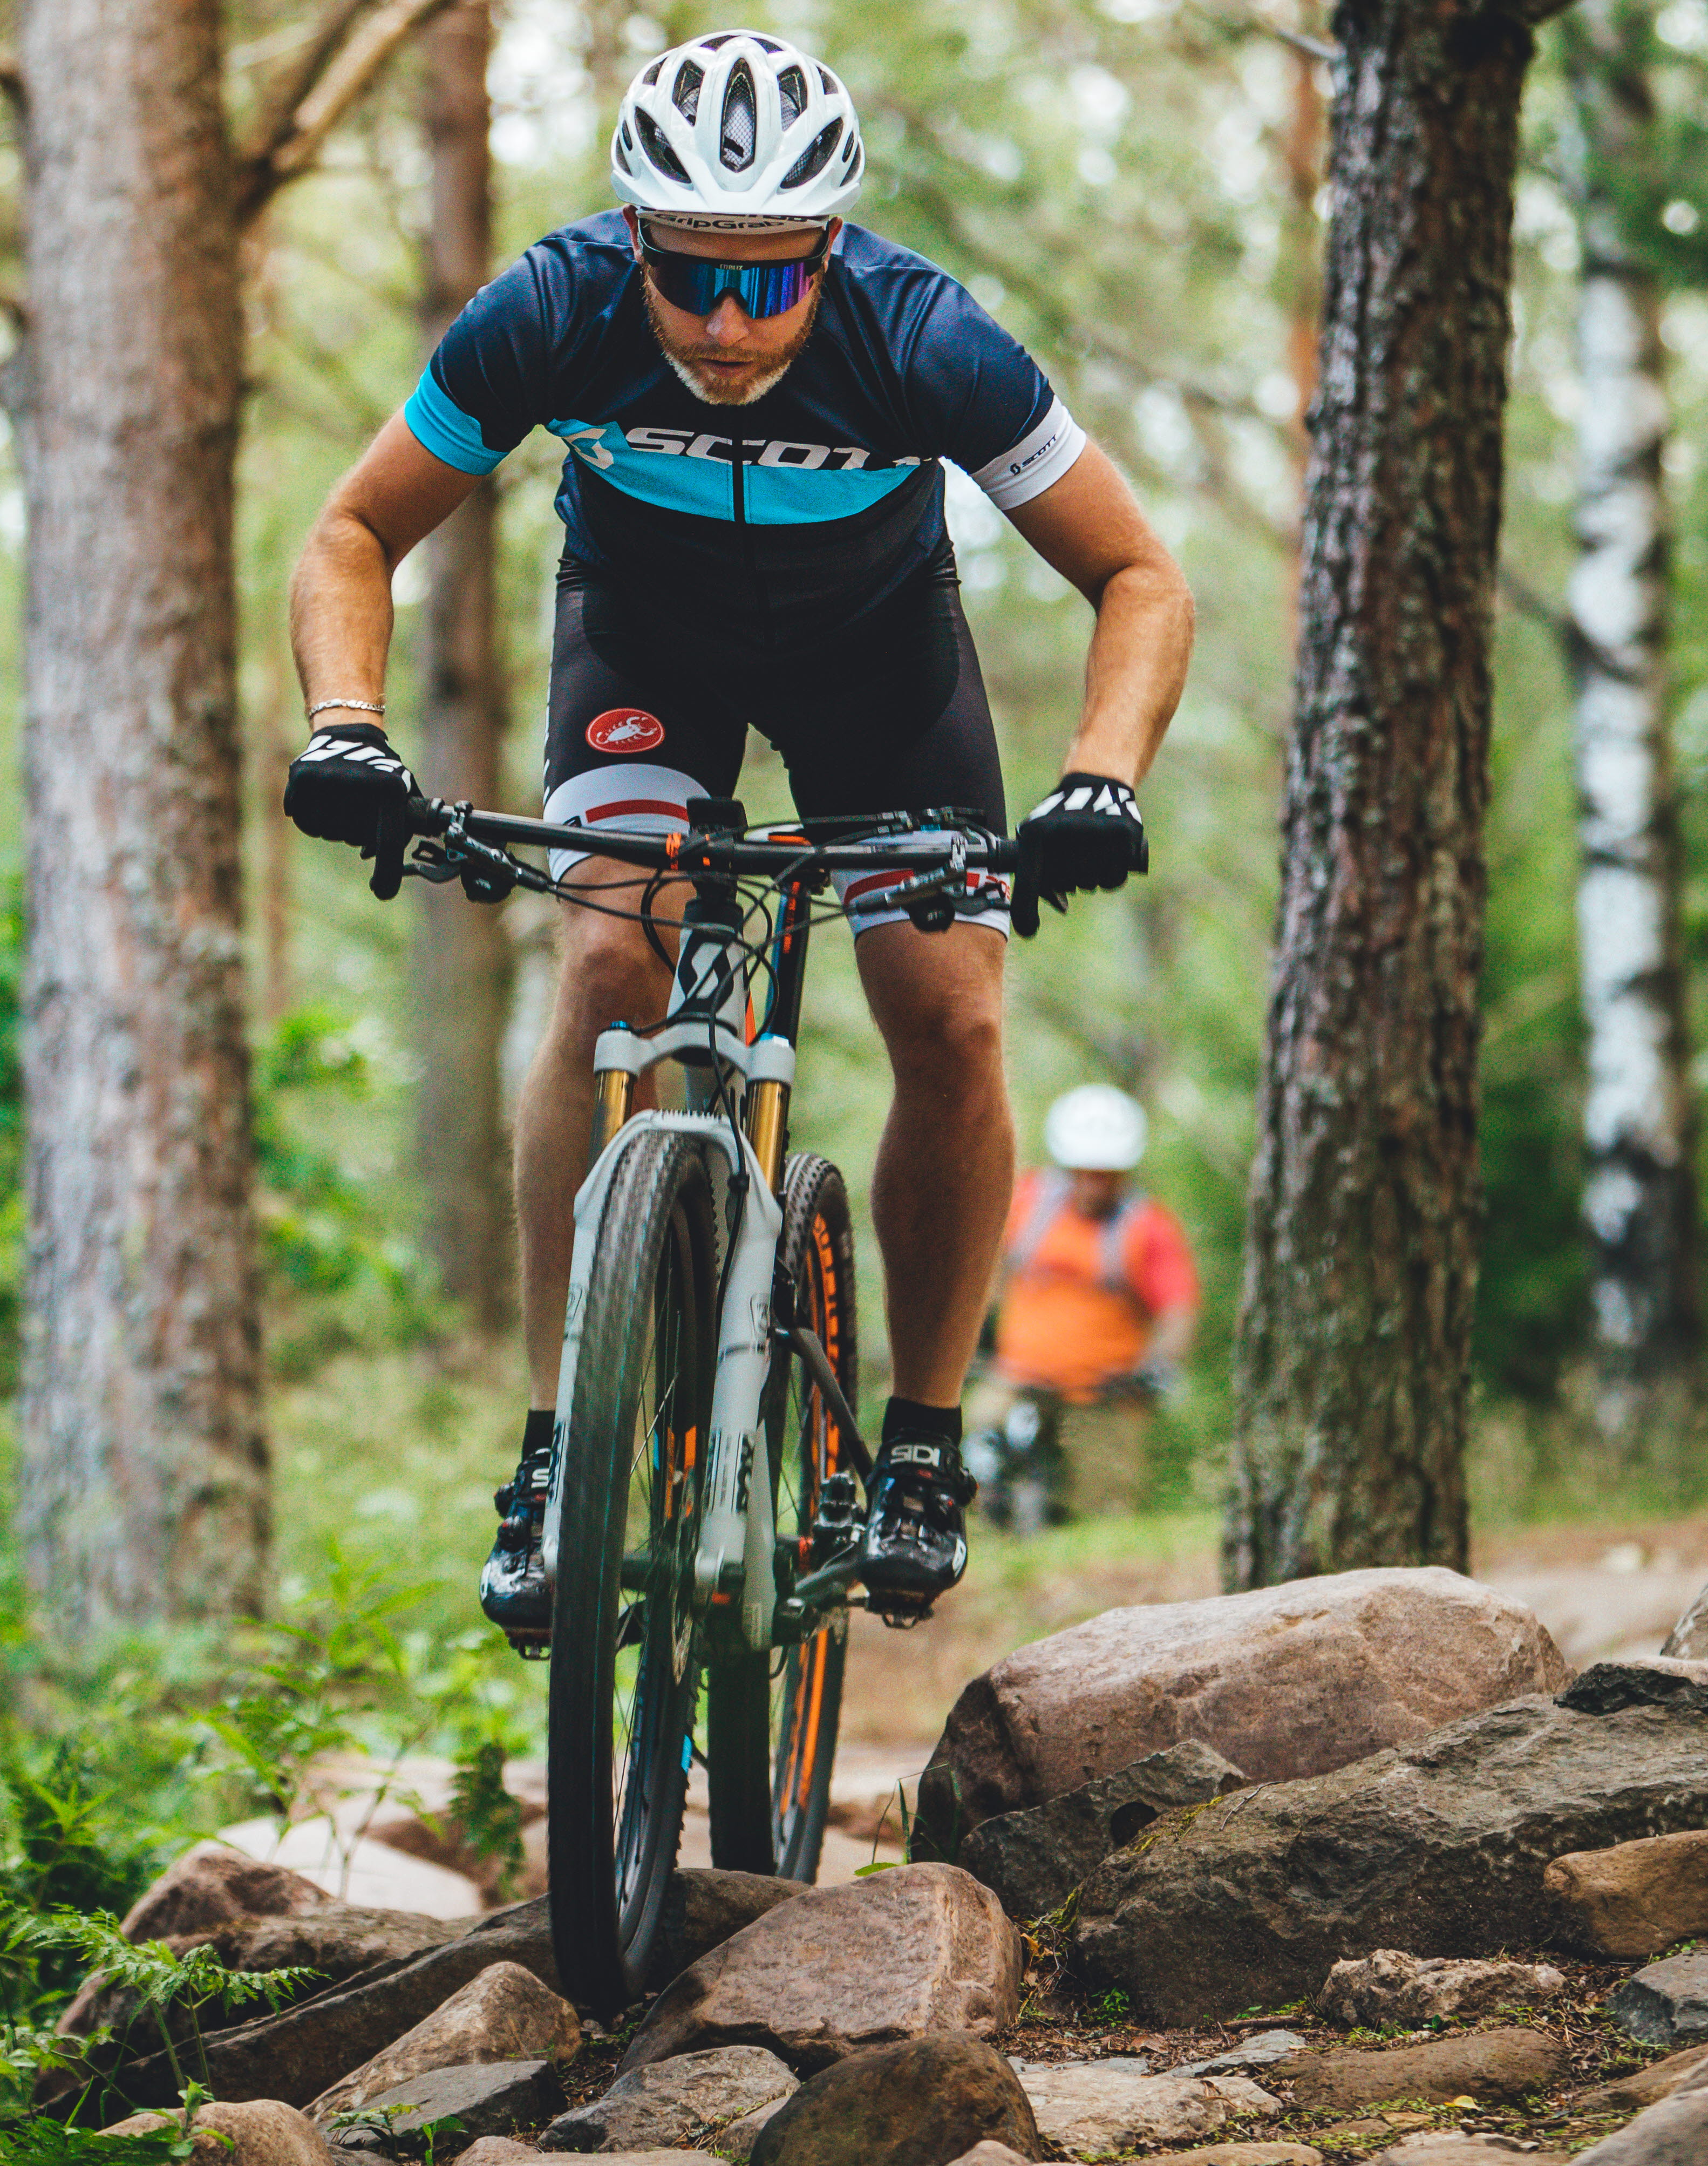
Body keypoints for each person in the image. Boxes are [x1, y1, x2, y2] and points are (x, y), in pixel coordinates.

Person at [281, 30, 1194, 1640]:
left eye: (768, 284)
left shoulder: (925, 339)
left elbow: (1141, 576)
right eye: (689, 276)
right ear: (634, 240)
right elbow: (356, 530)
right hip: (647, 659)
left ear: (829, 251)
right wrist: (348, 726)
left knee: (952, 1011)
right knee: (606, 963)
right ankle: (556, 1456)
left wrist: (1100, 774)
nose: (723, 322)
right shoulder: (552, 310)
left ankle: (919, 1445)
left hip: (879, 675)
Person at [978, 1084, 1199, 1519]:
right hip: (1017, 1380)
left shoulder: (1148, 1228)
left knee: (1108, 1504)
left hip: (1103, 1395)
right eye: (1084, 1170)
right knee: (968, 1455)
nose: (1094, 1183)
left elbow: (1178, 1310)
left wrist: (1156, 1368)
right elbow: (985, 1266)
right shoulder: (1026, 1202)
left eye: (1107, 1173)